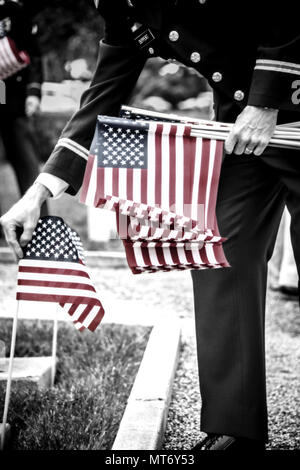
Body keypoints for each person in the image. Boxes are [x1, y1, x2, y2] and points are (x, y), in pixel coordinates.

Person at [1, 0, 300, 450]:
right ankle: (236, 428)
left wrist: (265, 102)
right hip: (241, 127)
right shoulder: (123, 7)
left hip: (284, 105)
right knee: (219, 252)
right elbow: (101, 97)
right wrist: (37, 194)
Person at [0, 0, 47, 221]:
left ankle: (40, 224)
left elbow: (34, 53)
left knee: (26, 160)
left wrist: (33, 92)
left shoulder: (14, 11)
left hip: (14, 97)